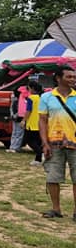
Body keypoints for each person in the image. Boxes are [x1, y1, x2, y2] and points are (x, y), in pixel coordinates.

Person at [38, 67, 76, 219]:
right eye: (69, 77)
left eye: (74, 77)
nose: (73, 79)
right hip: (54, 144)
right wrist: (44, 143)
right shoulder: (46, 97)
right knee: (53, 177)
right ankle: (56, 209)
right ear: (58, 78)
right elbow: (42, 121)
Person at [22, 81, 44, 165]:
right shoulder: (41, 98)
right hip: (40, 123)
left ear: (32, 89)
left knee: (29, 140)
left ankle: (40, 154)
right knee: (38, 141)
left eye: (29, 88)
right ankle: (38, 159)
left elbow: (28, 111)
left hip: (32, 123)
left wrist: (24, 120)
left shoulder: (31, 98)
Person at [7, 82, 29, 153]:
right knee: (18, 133)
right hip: (19, 117)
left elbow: (12, 107)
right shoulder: (24, 97)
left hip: (16, 117)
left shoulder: (15, 98)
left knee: (16, 133)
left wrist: (13, 115)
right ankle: (15, 147)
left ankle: (13, 147)